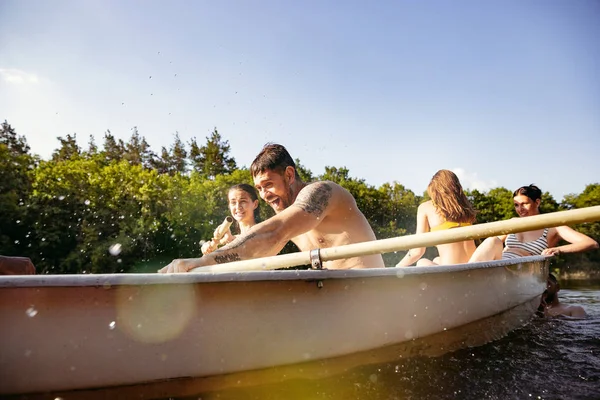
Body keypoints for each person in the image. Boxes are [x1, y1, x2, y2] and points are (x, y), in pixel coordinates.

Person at [159, 143, 384, 273]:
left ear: (288, 175)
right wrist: (214, 257)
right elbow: (260, 249)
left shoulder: (321, 192)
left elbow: (273, 234)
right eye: (259, 188)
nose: (265, 195)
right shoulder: (288, 212)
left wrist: (202, 262)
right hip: (334, 296)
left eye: (268, 185)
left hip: (368, 288)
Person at [469, 184, 598, 262]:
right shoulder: (512, 223)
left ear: (537, 202)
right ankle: (467, 276)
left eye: (524, 204)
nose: (520, 209)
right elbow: (491, 246)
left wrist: (558, 249)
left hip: (525, 272)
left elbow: (591, 243)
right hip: (499, 265)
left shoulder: (554, 226)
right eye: (516, 205)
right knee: (493, 241)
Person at [397, 169, 477, 267]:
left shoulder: (426, 207)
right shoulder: (464, 210)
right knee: (437, 259)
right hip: (473, 266)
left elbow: (417, 251)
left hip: (451, 271)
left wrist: (397, 268)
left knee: (422, 262)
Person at [201, 184, 260, 255]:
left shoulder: (265, 233)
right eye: (233, 202)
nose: (238, 207)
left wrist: (231, 243)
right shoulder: (230, 240)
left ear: (255, 204)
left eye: (243, 201)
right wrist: (211, 248)